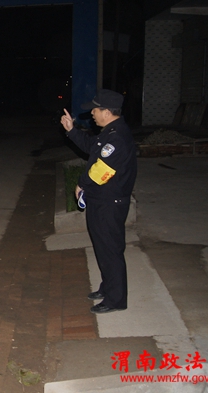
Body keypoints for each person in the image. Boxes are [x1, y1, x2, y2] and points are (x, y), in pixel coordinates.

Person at [60, 89, 137, 314]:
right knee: (103, 248)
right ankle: (108, 288)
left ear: (107, 112)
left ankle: (116, 300)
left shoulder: (117, 138)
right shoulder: (110, 132)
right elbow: (90, 147)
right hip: (101, 200)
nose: (91, 113)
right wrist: (71, 130)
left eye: (95, 110)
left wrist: (81, 183)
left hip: (109, 203)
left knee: (110, 250)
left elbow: (101, 170)